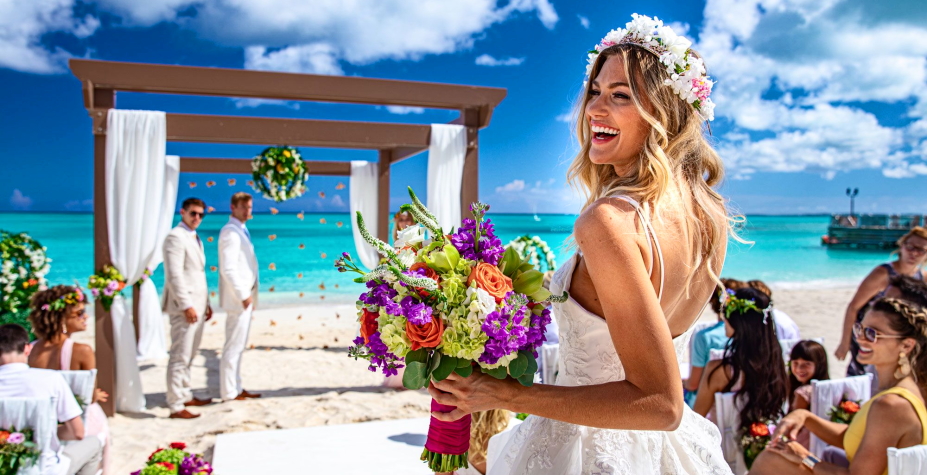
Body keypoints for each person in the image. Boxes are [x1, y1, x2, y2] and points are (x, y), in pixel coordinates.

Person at [428, 15, 734, 474]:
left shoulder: (609, 222)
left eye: (621, 96)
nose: (595, 110)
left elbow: (662, 404)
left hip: (586, 452)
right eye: (595, 91)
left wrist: (504, 394)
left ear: (663, 113)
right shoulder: (709, 215)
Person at [750, 297, 927, 475]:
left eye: (872, 334)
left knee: (770, 461)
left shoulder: (891, 405)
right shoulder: (904, 390)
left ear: (906, 345)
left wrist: (805, 457)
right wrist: (805, 416)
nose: (860, 339)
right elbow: (853, 438)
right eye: (860, 329)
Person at [26, 286, 111, 474]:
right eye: (79, 313)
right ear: (61, 319)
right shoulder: (82, 351)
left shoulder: (30, 350)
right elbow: (90, 397)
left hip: (42, 425)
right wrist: (94, 394)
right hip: (77, 424)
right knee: (99, 421)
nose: (86, 316)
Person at [0, 323, 103, 475]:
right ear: (27, 348)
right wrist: (42, 431)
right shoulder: (50, 379)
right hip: (46, 469)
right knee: (94, 443)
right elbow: (77, 433)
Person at [693, 288, 790, 427]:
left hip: (725, 446)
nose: (724, 318)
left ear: (739, 323)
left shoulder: (720, 370)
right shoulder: (777, 365)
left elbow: (697, 418)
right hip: (765, 438)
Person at [837, 226, 927, 376]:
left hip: (897, 338)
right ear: (902, 246)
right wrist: (844, 343)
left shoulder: (922, 278)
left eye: (920, 250)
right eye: (910, 247)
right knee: (862, 376)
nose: (914, 253)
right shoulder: (883, 273)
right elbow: (854, 307)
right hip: (871, 333)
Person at [162, 197, 213, 419]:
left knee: (191, 353)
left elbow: (197, 275)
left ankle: (185, 393)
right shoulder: (175, 237)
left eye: (201, 214)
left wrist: (207, 303)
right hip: (184, 306)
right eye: (193, 213)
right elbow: (175, 275)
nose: (197, 218)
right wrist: (186, 305)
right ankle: (175, 404)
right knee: (180, 354)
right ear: (182, 212)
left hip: (199, 304)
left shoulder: (195, 237)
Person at [218, 192, 261, 402]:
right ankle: (228, 392)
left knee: (238, 346)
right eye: (243, 207)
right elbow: (228, 269)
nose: (247, 211)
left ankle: (236, 386)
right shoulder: (230, 233)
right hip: (238, 300)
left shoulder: (240, 230)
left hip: (244, 299)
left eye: (250, 207)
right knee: (233, 346)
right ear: (233, 207)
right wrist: (244, 295)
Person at [685, 277, 746, 406]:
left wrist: (682, 383)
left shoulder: (705, 336)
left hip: (704, 404)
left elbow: (693, 384)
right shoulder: (750, 335)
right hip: (738, 402)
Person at [786, 340, 829, 448]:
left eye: (806, 364)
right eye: (795, 363)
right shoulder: (827, 387)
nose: (800, 369)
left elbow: (791, 424)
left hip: (801, 445)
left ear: (819, 365)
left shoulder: (804, 393)